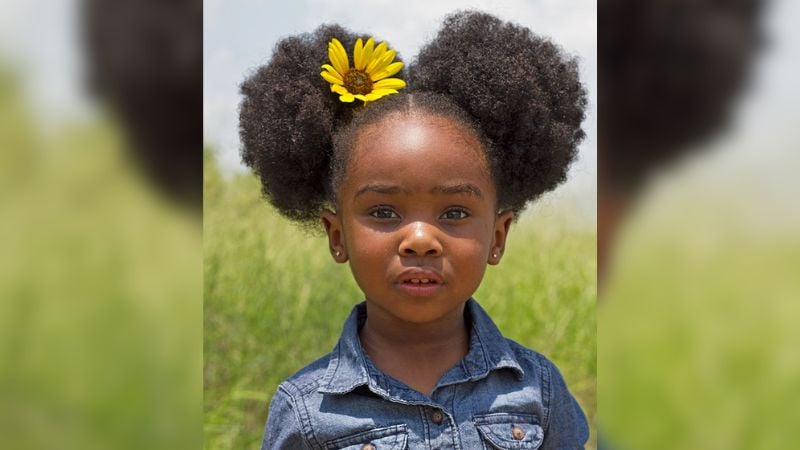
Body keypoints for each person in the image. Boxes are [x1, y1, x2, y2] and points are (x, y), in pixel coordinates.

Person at [239, 11, 589, 449]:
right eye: (384, 212)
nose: (420, 239)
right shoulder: (306, 411)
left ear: (498, 236)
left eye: (455, 213)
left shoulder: (539, 391)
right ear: (336, 235)